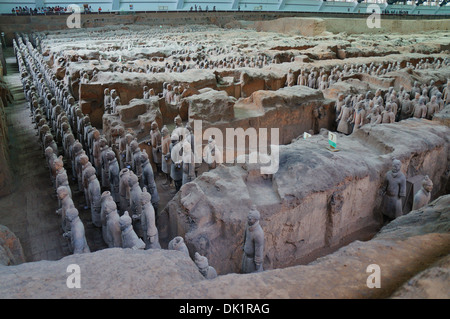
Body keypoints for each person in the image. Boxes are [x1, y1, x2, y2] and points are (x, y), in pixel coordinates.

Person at [242, 205, 264, 273]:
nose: (248, 219)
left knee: (250, 275)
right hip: (245, 256)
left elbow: (259, 249)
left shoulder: (258, 234)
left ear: (255, 219)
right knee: (243, 271)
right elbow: (245, 236)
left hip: (251, 261)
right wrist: (244, 246)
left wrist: (257, 263)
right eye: (248, 218)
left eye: (250, 219)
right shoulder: (248, 224)